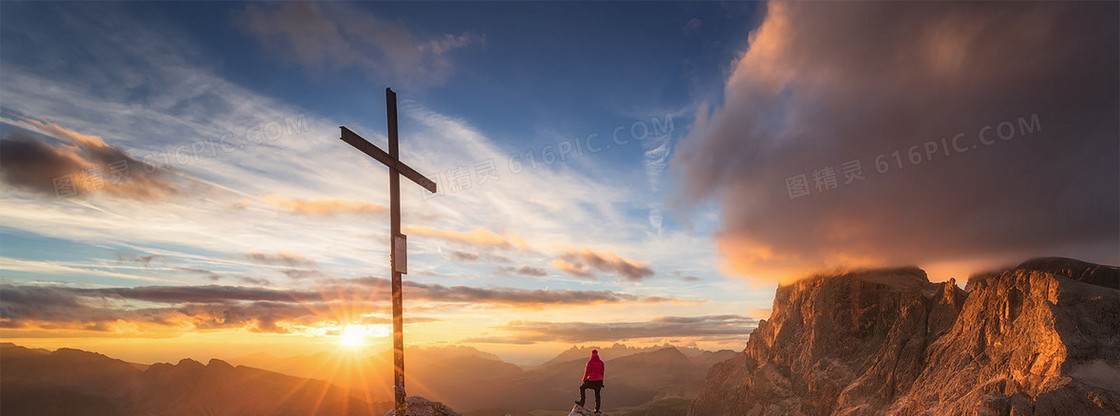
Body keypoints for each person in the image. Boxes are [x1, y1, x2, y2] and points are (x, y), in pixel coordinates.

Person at [575, 349, 604, 414]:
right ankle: (596, 409)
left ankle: (582, 402)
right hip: (599, 381)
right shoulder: (601, 362)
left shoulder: (590, 362)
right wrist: (601, 382)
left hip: (591, 380)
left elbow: (587, 372)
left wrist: (584, 380)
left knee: (582, 388)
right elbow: (602, 373)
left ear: (591, 354)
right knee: (597, 395)